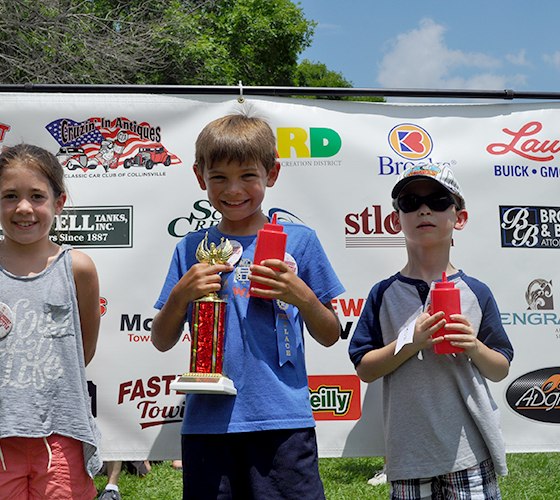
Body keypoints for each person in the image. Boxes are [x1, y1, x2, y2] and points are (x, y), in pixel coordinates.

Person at [151, 112, 345, 500]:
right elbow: (161, 340)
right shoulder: (191, 248)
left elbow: (330, 334)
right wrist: (180, 295)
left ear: (271, 174)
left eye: (248, 176)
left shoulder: (299, 240)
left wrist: (301, 296)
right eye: (219, 177)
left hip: (283, 420)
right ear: (199, 177)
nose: (234, 189)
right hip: (207, 424)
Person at [0, 143, 102, 500]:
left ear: (59, 202)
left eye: (37, 196)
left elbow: (81, 352)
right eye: (11, 196)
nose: (24, 208)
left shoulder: (79, 270)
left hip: (62, 434)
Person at [348, 163, 514, 500]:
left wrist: (474, 347)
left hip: (470, 449)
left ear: (459, 218)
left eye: (438, 201)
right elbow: (365, 368)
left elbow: (501, 368)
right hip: (408, 453)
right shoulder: (383, 293)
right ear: (396, 220)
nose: (424, 209)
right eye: (410, 202)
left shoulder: (476, 292)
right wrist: (410, 343)